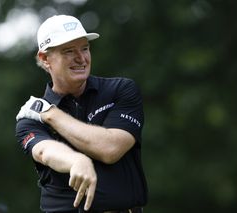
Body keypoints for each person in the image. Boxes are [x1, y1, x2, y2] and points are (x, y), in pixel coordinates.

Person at [15, 14, 148, 213]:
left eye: (84, 48)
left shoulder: (120, 90)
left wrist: (51, 114)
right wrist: (76, 160)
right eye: (68, 51)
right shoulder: (29, 118)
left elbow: (110, 148)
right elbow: (45, 151)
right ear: (45, 59)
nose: (81, 58)